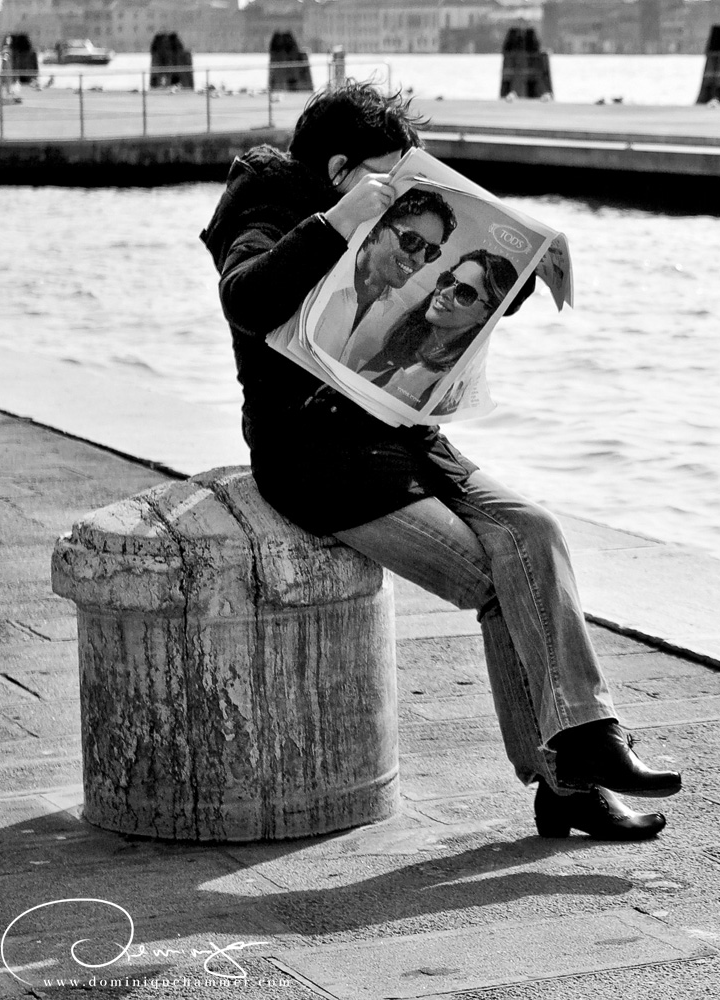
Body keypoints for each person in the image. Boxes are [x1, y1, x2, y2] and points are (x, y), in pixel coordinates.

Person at [199, 81, 680, 841]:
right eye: (388, 179)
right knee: (497, 579)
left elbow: (451, 297)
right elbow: (247, 301)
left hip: (405, 438)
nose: (403, 199)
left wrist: (528, 263)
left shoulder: (392, 216)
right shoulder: (263, 209)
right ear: (337, 170)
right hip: (320, 460)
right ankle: (570, 784)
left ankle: (589, 739)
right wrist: (337, 223)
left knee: (534, 528)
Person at [358, 249, 531, 410]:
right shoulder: (409, 341)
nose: (445, 292)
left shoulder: (447, 379)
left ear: (487, 316)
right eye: (448, 280)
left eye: (465, 293)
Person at [311, 188, 457, 367]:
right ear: (375, 227)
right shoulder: (315, 278)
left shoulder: (401, 323)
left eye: (431, 251)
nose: (419, 260)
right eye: (412, 241)